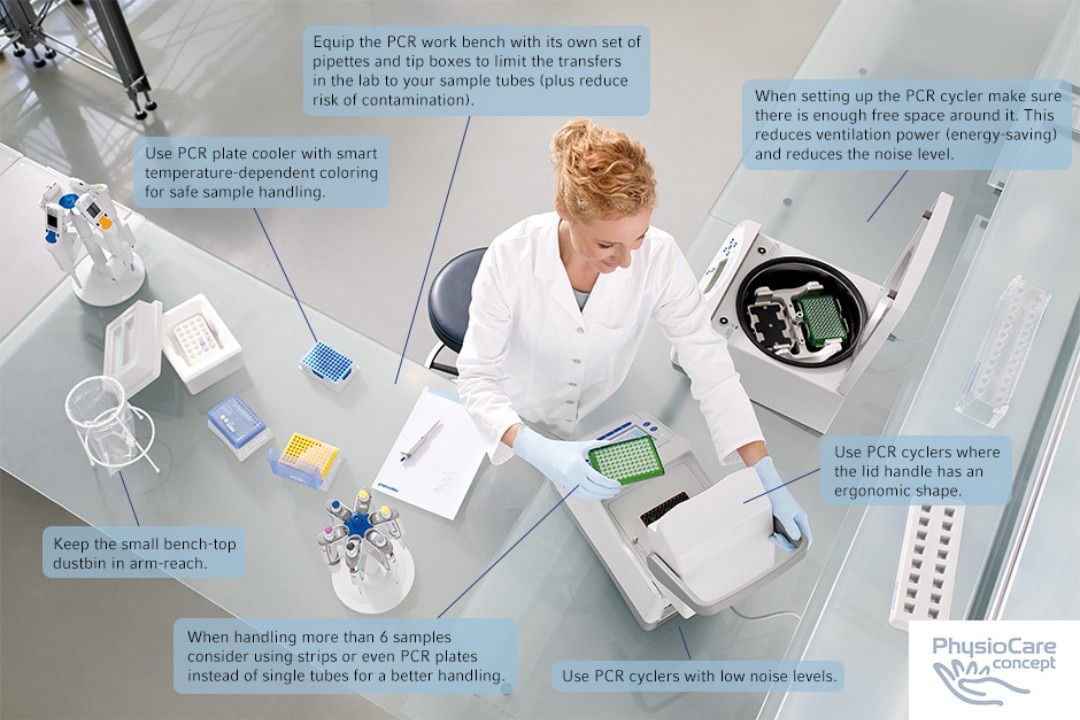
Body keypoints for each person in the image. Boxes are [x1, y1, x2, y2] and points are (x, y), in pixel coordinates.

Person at [457, 119, 811, 550]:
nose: (626, 261)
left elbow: (709, 364)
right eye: (607, 245)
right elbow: (476, 378)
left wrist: (764, 474)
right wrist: (536, 448)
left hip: (601, 409)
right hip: (519, 417)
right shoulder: (510, 257)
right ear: (563, 210)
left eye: (638, 237)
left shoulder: (659, 256)